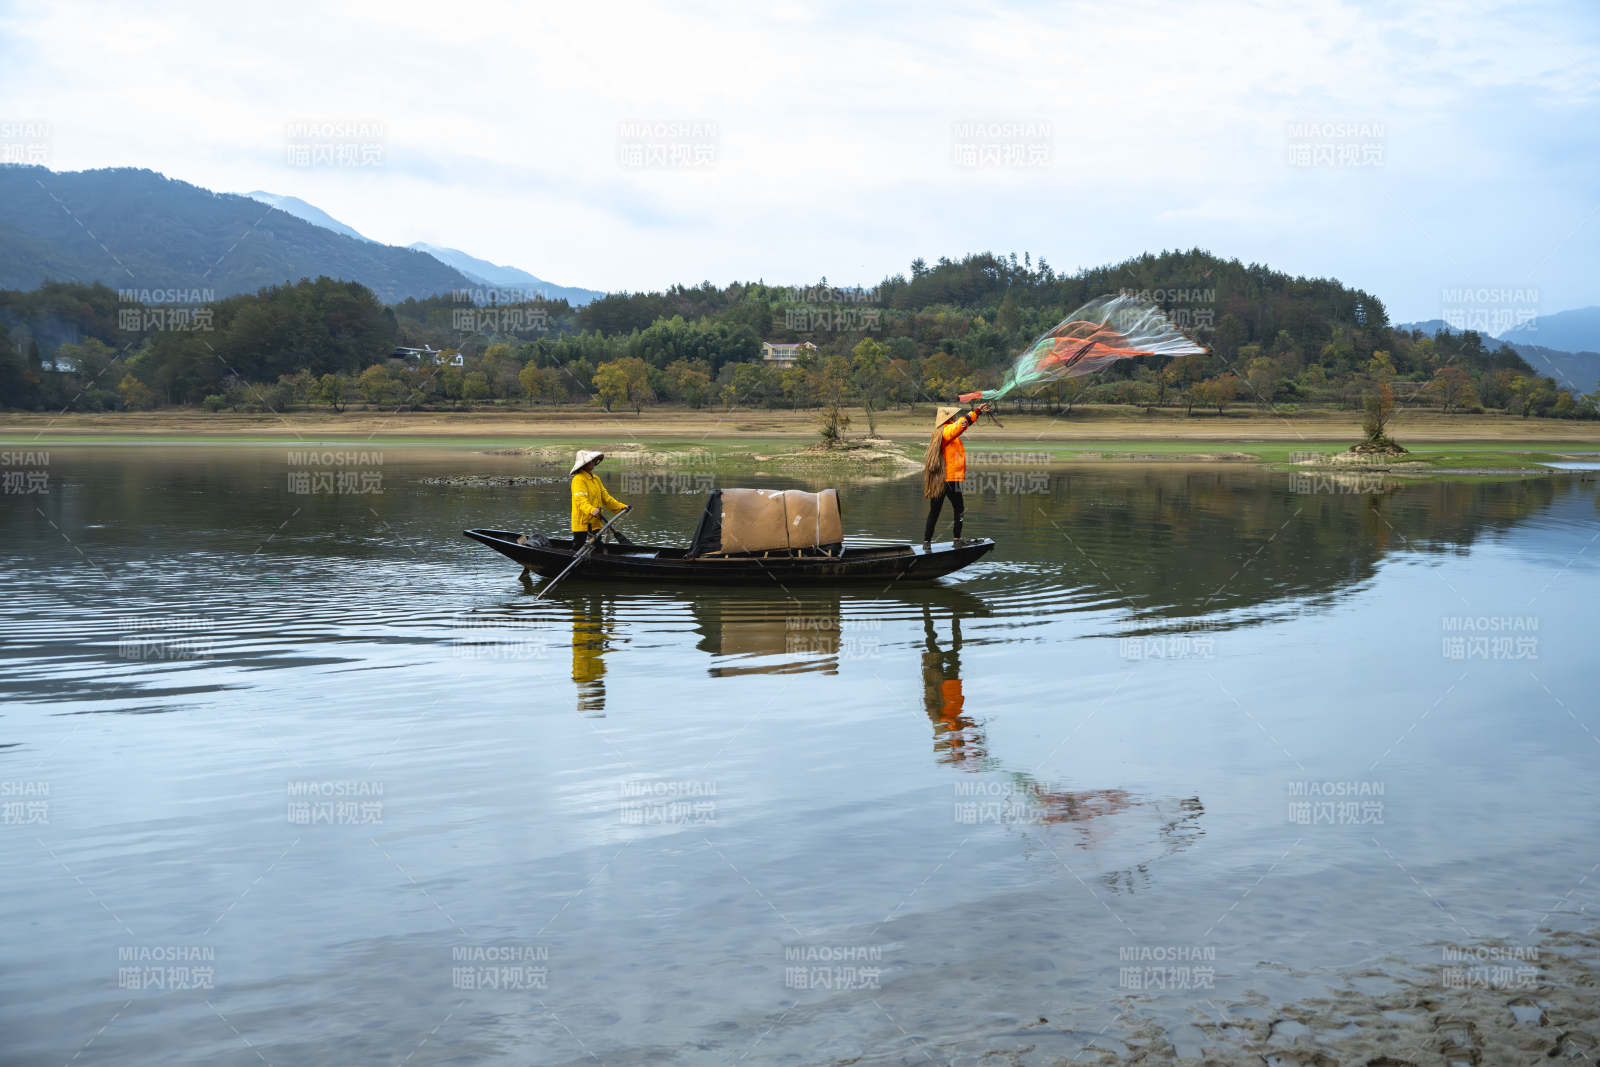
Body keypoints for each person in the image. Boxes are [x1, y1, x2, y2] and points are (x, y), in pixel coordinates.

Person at [922, 402, 989, 545]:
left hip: (944, 478)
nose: (955, 416)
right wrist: (976, 412)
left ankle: (927, 542)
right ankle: (956, 539)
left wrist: (977, 412)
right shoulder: (946, 432)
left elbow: (960, 426)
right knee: (959, 509)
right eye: (953, 415)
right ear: (948, 418)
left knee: (935, 511)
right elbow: (961, 425)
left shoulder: (942, 432)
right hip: (949, 478)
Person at [569, 451, 628, 549]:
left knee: (598, 547)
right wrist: (591, 510)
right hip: (582, 522)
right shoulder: (578, 479)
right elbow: (580, 500)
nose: (593, 463)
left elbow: (606, 498)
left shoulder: (596, 479)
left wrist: (621, 507)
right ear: (585, 464)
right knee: (578, 546)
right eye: (591, 461)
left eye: (593, 461)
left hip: (595, 521)